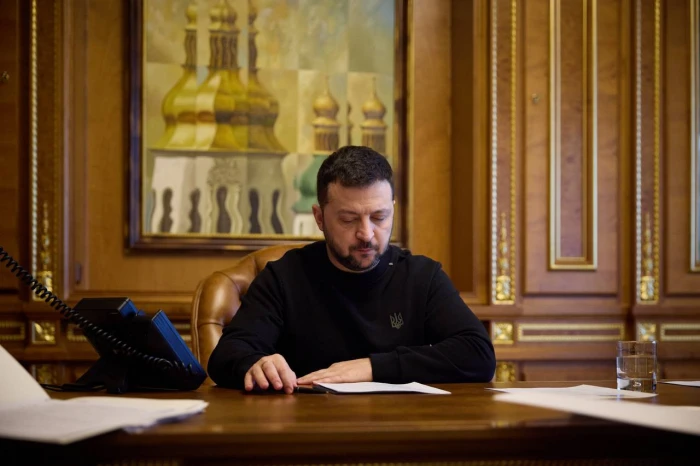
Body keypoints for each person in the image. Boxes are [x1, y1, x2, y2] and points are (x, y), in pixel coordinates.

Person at [207, 145, 496, 393]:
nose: (366, 234)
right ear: (320, 217)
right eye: (348, 219)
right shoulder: (284, 278)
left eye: (379, 217)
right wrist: (256, 364)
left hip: (401, 428)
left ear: (393, 210)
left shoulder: (422, 277)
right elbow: (226, 356)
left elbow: (478, 354)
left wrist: (371, 368)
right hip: (306, 427)